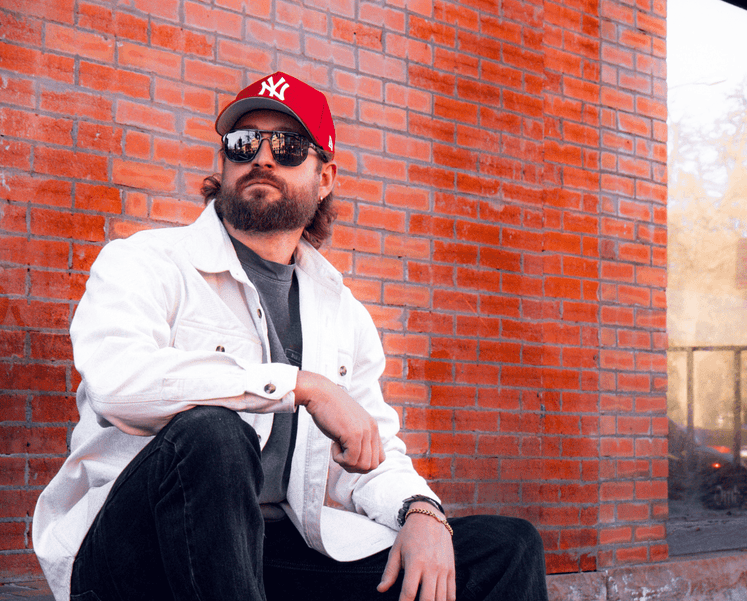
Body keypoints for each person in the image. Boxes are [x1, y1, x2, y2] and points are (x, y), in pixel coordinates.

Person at [33, 71, 549, 601]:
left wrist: (421, 510)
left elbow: (368, 451)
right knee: (213, 433)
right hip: (134, 556)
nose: (262, 158)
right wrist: (305, 386)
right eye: (243, 143)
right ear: (223, 164)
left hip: (269, 556)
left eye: (288, 145)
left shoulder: (341, 313)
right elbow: (119, 386)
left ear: (325, 177)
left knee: (507, 548)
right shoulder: (146, 263)